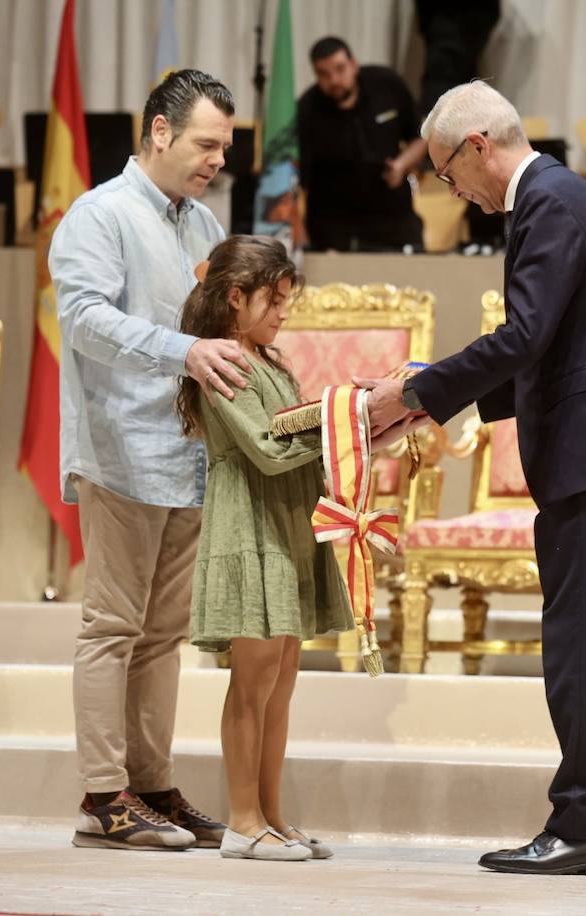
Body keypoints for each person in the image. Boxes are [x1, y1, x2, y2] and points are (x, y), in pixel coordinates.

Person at [359, 81, 586, 876]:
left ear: (477, 147)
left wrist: (418, 392)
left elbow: (526, 334)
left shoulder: (549, 203)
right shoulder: (556, 199)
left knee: (578, 648)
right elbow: (547, 349)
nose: (454, 193)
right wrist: (430, 402)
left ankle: (583, 824)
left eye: (446, 173)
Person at [51, 69, 250, 852]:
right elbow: (86, 322)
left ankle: (153, 784)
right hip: (121, 451)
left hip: (187, 454)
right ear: (159, 133)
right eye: (206, 143)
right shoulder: (98, 216)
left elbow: (222, 333)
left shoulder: (202, 226)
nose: (216, 160)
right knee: (112, 626)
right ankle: (103, 795)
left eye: (225, 147)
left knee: (164, 634)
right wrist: (186, 352)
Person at [176, 235, 415, 861]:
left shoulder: (272, 362)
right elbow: (268, 447)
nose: (284, 313)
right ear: (235, 297)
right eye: (274, 301)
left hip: (286, 519)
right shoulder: (225, 362)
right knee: (251, 682)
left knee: (281, 680)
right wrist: (349, 418)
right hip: (247, 523)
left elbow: (302, 433)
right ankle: (241, 821)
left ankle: (272, 815)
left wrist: (368, 424)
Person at [297, 36, 426, 252]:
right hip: (333, 225)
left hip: (392, 215)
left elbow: (421, 138)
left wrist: (401, 165)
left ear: (354, 64)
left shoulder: (387, 85)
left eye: (340, 69)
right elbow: (300, 181)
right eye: (324, 74)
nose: (334, 80)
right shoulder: (307, 109)